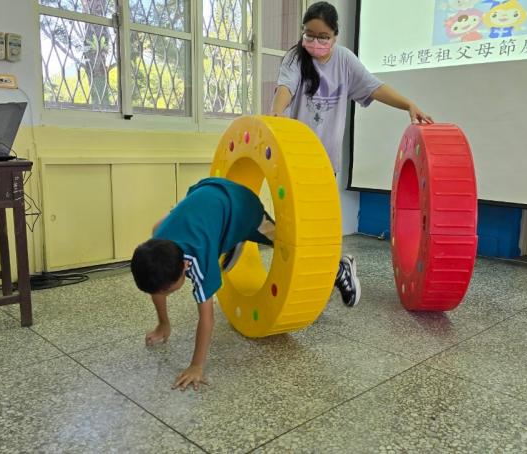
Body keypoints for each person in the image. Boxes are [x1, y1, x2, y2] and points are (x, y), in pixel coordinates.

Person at [270, 1, 433, 309]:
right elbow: (285, 88)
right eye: (309, 34)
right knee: (296, 228)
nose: (314, 42)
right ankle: (333, 272)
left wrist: (408, 105)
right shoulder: (295, 57)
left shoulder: (344, 60)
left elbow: (374, 87)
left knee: (315, 226)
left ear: (335, 35)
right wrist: (277, 113)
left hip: (323, 162)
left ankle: (336, 269)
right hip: (294, 159)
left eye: (323, 36)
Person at [130, 177, 275, 391]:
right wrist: (163, 324)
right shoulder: (157, 239)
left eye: (168, 291)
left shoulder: (199, 263)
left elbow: (206, 319)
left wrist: (196, 366)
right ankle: (228, 238)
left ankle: (236, 237)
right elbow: (157, 287)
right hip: (209, 190)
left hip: (244, 207)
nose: (164, 294)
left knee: (280, 239)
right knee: (164, 227)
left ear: (185, 266)